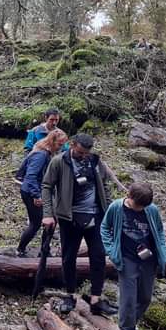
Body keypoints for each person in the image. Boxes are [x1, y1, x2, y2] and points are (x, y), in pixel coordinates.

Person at [41, 133, 117, 315]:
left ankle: (96, 299)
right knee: (69, 257)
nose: (84, 156)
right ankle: (70, 295)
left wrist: (109, 213)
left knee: (98, 256)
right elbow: (46, 186)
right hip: (69, 218)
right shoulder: (59, 162)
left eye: (87, 153)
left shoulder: (95, 161)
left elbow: (104, 187)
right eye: (81, 152)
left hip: (95, 217)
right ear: (72, 145)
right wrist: (48, 214)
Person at [101, 183, 166, 330]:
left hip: (148, 259)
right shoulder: (116, 207)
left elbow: (160, 231)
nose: (140, 209)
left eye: (143, 207)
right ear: (128, 195)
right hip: (127, 259)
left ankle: (131, 324)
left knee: (145, 298)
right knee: (129, 298)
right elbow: (105, 228)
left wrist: (163, 252)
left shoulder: (151, 209)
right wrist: (112, 252)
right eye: (137, 205)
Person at [16, 129, 68, 257]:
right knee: (37, 222)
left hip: (40, 191)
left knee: (51, 221)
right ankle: (21, 249)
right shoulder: (41, 155)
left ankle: (45, 250)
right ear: (52, 141)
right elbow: (31, 176)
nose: (61, 148)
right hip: (32, 192)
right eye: (60, 145)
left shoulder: (48, 153)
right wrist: (36, 196)